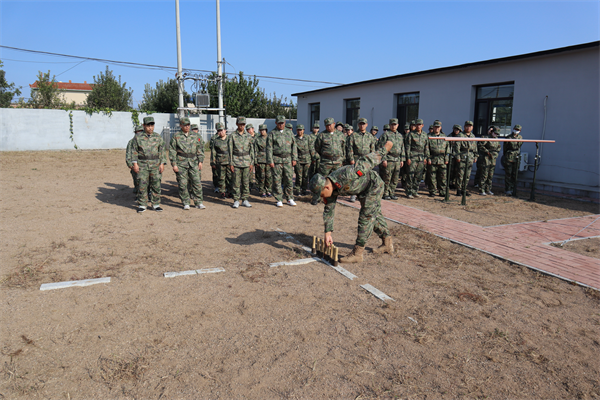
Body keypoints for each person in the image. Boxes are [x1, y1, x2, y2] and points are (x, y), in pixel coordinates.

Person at [309, 141, 395, 263]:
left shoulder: (347, 175)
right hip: (362, 190)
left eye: (321, 194)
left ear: (326, 187)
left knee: (366, 217)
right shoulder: (330, 190)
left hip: (374, 186)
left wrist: (386, 148)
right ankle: (387, 243)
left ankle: (358, 253)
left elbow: (368, 161)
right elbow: (329, 210)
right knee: (374, 216)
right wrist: (328, 233)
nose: (321, 198)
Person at [131, 116, 167, 213]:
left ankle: (156, 204)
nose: (150, 127)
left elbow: (162, 151)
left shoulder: (158, 137)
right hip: (142, 165)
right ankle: (142, 204)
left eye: (152, 125)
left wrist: (162, 163)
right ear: (144, 125)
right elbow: (134, 151)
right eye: (148, 125)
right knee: (142, 185)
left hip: (155, 164)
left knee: (156, 184)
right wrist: (135, 164)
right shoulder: (138, 138)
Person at [169, 117, 205, 210]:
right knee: (183, 183)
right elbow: (172, 150)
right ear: (181, 125)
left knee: (197, 182)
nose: (187, 127)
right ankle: (186, 202)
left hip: (193, 162)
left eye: (188, 125)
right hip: (181, 162)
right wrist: (174, 164)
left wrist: (200, 161)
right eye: (185, 125)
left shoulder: (196, 136)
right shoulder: (176, 136)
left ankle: (198, 202)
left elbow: (200, 149)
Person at [313, 117, 347, 204]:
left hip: (337, 162)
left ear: (334, 124)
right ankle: (317, 197)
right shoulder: (321, 135)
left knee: (336, 180)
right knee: (322, 180)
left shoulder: (340, 135)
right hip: (326, 162)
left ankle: (332, 197)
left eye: (330, 125)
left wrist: (342, 158)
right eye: (326, 125)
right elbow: (317, 147)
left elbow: (343, 147)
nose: (328, 127)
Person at [267, 115, 298, 207]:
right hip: (276, 160)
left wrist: (294, 158)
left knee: (288, 179)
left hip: (288, 159)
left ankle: (289, 198)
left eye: (283, 123)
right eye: (279, 123)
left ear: (285, 123)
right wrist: (270, 161)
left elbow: (294, 146)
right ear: (276, 123)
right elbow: (269, 148)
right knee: (277, 180)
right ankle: (279, 199)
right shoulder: (272, 133)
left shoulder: (290, 132)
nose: (281, 125)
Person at [347, 117, 376, 202]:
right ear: (358, 124)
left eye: (363, 124)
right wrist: (351, 159)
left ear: (366, 125)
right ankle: (353, 194)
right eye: (360, 124)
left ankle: (364, 194)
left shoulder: (370, 136)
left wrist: (372, 161)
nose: (362, 125)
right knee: (355, 177)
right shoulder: (353, 135)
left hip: (366, 160)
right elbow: (350, 148)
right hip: (356, 159)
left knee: (366, 177)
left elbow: (372, 150)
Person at [228, 116, 254, 208]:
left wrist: (252, 162)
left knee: (246, 182)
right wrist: (231, 163)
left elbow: (252, 150)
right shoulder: (233, 136)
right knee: (236, 182)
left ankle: (245, 199)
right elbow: (230, 150)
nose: (242, 126)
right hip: (236, 161)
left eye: (243, 124)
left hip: (246, 162)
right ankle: (236, 200)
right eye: (240, 124)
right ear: (237, 124)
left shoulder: (248, 136)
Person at [378, 118, 405, 200]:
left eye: (395, 124)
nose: (393, 126)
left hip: (397, 159)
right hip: (389, 158)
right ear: (389, 125)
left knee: (395, 178)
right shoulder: (385, 135)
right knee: (387, 177)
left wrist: (402, 159)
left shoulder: (400, 136)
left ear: (397, 125)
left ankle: (392, 192)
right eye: (392, 124)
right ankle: (385, 193)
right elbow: (381, 148)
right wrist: (384, 159)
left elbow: (402, 148)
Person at [404, 118, 428, 198]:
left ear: (422, 125)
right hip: (413, 156)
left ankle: (415, 190)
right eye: (417, 125)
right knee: (411, 174)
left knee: (418, 175)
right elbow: (408, 146)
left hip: (421, 157)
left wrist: (425, 157)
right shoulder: (411, 134)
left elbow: (426, 147)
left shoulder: (425, 135)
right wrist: (408, 158)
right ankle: (409, 192)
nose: (418, 126)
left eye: (420, 125)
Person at [425, 120, 450, 197]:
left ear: (440, 128)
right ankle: (432, 191)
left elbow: (447, 148)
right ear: (433, 127)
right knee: (432, 177)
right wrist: (428, 158)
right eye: (435, 127)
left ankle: (442, 191)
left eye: (438, 127)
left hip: (442, 159)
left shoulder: (444, 137)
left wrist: (446, 158)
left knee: (443, 177)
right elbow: (427, 148)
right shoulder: (429, 136)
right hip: (433, 158)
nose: (436, 128)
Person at [454, 121, 478, 196]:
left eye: (470, 126)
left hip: (470, 157)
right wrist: (457, 157)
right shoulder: (460, 135)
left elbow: (475, 148)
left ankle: (464, 189)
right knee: (460, 174)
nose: (468, 128)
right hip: (462, 157)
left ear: (472, 127)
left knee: (467, 175)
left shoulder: (472, 136)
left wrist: (475, 156)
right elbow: (457, 147)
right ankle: (459, 189)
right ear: (464, 127)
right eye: (467, 126)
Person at [478, 126, 501, 196]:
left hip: (493, 159)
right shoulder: (486, 138)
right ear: (492, 132)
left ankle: (488, 189)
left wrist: (495, 154)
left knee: (490, 175)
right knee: (484, 174)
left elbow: (498, 148)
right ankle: (482, 189)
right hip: (486, 159)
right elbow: (480, 145)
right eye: (495, 133)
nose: (496, 135)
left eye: (497, 134)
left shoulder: (497, 140)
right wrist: (487, 152)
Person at [210, 122, 231, 197]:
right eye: (219, 131)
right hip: (220, 161)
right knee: (221, 177)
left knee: (230, 177)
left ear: (225, 130)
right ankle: (222, 192)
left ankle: (229, 191)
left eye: (222, 130)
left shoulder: (230, 139)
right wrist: (213, 162)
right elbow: (213, 152)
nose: (220, 132)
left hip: (229, 161)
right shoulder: (216, 140)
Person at [503, 124, 523, 195]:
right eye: (515, 129)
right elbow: (505, 148)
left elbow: (519, 145)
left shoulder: (520, 137)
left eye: (518, 130)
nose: (516, 131)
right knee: (508, 173)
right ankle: (508, 189)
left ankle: (513, 188)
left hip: (516, 156)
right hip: (509, 156)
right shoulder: (509, 137)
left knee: (515, 173)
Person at [293, 124, 312, 195]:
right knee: (299, 176)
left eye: (301, 130)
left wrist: (313, 158)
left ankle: (304, 189)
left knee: (305, 176)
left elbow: (311, 148)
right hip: (298, 160)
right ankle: (297, 189)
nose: (299, 131)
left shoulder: (307, 138)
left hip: (307, 160)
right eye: (298, 130)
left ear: (303, 130)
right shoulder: (294, 139)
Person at [254, 124, 272, 197]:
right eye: (261, 130)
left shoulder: (270, 138)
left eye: (263, 130)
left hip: (268, 159)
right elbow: (255, 150)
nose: (262, 132)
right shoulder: (257, 139)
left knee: (269, 176)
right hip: (260, 159)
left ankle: (268, 190)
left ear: (266, 130)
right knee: (262, 176)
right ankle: (262, 191)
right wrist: (256, 161)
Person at [126, 125, 144, 195]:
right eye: (138, 132)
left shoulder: (146, 141)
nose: (140, 133)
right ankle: (138, 194)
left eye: (141, 132)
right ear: (136, 132)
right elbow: (128, 154)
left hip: (145, 164)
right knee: (137, 181)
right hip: (135, 165)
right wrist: (130, 165)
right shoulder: (131, 142)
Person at [448, 124, 463, 189]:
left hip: (459, 156)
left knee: (457, 170)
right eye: (455, 129)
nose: (456, 131)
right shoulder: (450, 136)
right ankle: (450, 183)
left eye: (457, 130)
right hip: (451, 155)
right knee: (451, 170)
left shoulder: (462, 137)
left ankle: (455, 183)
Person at [246, 123, 257, 191]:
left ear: (253, 129)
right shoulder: (246, 137)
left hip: (259, 157)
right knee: (249, 172)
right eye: (247, 130)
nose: (248, 131)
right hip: (249, 156)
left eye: (249, 129)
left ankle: (258, 186)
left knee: (258, 172)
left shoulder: (258, 136)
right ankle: (249, 185)